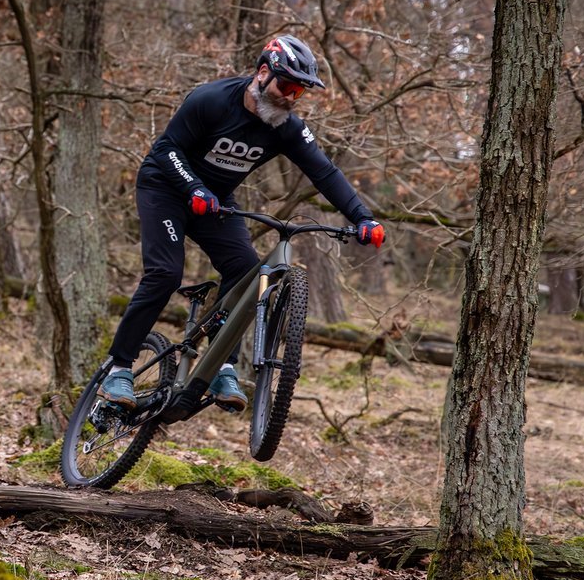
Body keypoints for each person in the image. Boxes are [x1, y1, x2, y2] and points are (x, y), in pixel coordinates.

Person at [100, 34, 385, 411]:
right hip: (165, 189)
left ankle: (222, 367)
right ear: (263, 74)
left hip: (216, 203)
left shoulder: (286, 127)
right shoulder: (212, 100)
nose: (289, 98)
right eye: (286, 86)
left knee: (248, 273)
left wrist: (362, 217)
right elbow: (166, 150)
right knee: (165, 274)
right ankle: (119, 367)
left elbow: (325, 173)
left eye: (298, 93)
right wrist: (195, 188)